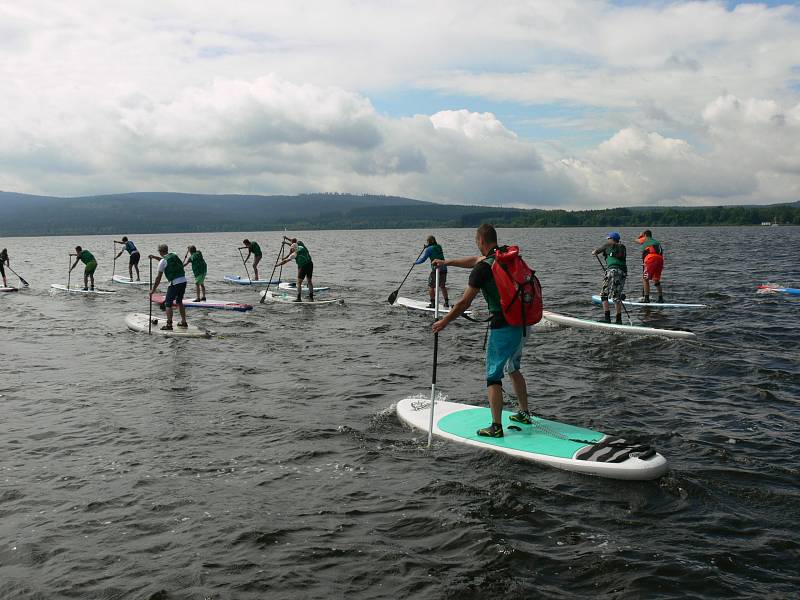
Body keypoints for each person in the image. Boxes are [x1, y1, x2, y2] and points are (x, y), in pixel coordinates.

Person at [431, 224, 531, 438]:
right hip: (523, 322)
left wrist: (444, 322)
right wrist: (446, 262)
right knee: (513, 367)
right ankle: (524, 413)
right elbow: (473, 260)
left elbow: (463, 302)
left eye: (476, 242)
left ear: (481, 241)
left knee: (493, 376)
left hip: (503, 326)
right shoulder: (504, 256)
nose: (476, 245)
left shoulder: (483, 268)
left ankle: (496, 427)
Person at [149, 244, 188, 330]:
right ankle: (184, 322)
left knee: (168, 304)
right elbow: (165, 260)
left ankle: (169, 325)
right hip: (183, 281)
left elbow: (158, 278)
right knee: (179, 301)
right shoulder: (174, 254)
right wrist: (154, 257)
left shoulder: (163, 262)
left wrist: (153, 290)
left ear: (160, 252)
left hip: (175, 283)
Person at [592, 232, 627, 324]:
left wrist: (595, 252)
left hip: (612, 271)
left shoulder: (608, 245)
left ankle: (607, 319)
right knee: (616, 296)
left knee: (603, 295)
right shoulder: (623, 247)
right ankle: (619, 320)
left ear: (611, 239)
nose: (607, 240)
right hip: (622, 273)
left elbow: (596, 251)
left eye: (608, 238)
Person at [415, 235, 450, 308]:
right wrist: (427, 246)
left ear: (428, 242)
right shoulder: (439, 246)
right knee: (442, 286)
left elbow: (423, 259)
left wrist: (415, 262)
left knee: (431, 286)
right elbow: (433, 247)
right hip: (444, 268)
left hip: (436, 269)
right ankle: (446, 302)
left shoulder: (428, 249)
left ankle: (433, 303)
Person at [275, 237, 314, 302]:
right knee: (309, 281)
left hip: (304, 267)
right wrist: (287, 241)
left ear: (293, 249)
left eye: (291, 249)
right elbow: (293, 244)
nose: (291, 250)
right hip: (310, 264)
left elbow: (285, 261)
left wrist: (277, 265)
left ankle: (299, 298)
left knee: (298, 282)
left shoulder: (294, 254)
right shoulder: (302, 247)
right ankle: (311, 297)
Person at [637, 230, 664, 303]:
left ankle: (646, 298)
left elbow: (636, 241)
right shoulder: (657, 242)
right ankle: (660, 298)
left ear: (645, 235)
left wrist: (640, 236)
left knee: (645, 279)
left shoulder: (645, 238)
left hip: (651, 259)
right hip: (660, 260)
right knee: (656, 280)